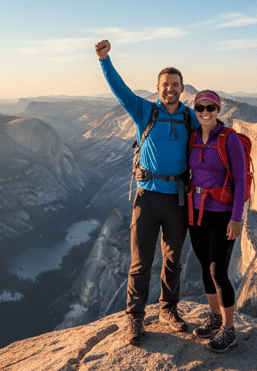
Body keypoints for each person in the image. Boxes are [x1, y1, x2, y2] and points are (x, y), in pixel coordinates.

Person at [95, 39, 200, 346]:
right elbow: (120, 90)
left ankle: (168, 309)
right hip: (147, 197)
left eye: (175, 84)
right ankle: (135, 318)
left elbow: (213, 130)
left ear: (182, 89)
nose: (170, 89)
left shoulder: (189, 117)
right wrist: (104, 60)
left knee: (173, 259)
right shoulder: (145, 111)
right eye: (165, 84)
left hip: (178, 198)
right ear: (157, 88)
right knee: (141, 262)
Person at [186, 90, 247, 353]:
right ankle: (214, 319)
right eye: (200, 108)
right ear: (196, 111)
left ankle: (229, 330)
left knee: (218, 270)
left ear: (218, 110)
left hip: (222, 215)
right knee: (204, 266)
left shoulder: (229, 139)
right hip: (196, 213)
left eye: (211, 107)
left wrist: (236, 218)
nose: (205, 112)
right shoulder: (194, 138)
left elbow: (241, 179)